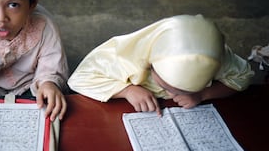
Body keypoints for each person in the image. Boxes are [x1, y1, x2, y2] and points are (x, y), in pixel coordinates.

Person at [67, 14, 254, 116]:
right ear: (150, 63)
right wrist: (127, 90)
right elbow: (79, 79)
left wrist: (203, 94)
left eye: (182, 91)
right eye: (166, 87)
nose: (173, 96)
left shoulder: (214, 58)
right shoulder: (122, 55)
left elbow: (242, 76)